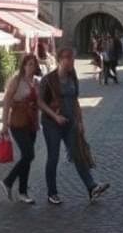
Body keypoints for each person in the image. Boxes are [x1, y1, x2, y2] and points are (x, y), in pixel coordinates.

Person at [39, 47, 110, 205]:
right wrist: (55, 116)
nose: (71, 61)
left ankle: (91, 187)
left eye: (73, 58)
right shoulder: (48, 79)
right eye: (68, 58)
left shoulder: (72, 76)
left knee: (78, 153)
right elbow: (40, 102)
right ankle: (52, 193)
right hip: (52, 123)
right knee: (53, 157)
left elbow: (75, 100)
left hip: (70, 122)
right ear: (60, 60)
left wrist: (80, 122)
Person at [0, 53, 41, 204]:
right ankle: (8, 181)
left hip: (32, 122)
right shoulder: (16, 81)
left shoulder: (36, 82)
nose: (31, 67)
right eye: (29, 64)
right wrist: (4, 124)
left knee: (26, 157)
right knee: (29, 154)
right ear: (23, 66)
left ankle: (23, 192)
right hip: (18, 122)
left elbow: (40, 102)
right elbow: (7, 102)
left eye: (33, 64)